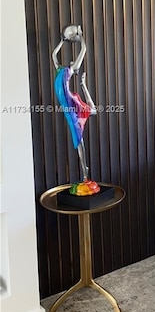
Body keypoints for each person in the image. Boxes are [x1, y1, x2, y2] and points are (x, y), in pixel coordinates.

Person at [52, 25, 100, 195]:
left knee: (79, 137)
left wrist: (80, 37)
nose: (73, 62)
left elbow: (84, 50)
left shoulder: (68, 72)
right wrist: (63, 41)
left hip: (70, 104)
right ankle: (85, 172)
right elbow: (53, 55)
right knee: (78, 137)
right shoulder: (61, 70)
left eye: (74, 63)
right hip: (68, 104)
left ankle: (85, 173)